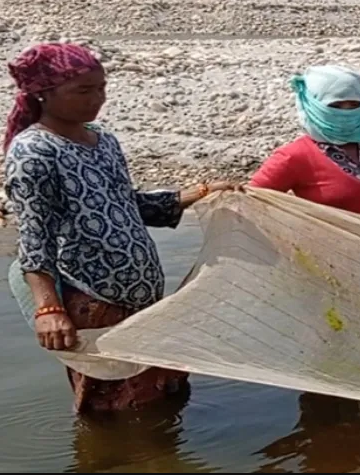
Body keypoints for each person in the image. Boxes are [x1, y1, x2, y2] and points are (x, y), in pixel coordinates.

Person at [4, 43, 238, 413]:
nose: (97, 98)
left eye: (101, 87)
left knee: (164, 395)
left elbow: (129, 205)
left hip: (142, 299)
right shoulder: (34, 151)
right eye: (84, 90)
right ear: (43, 94)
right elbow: (35, 238)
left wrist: (198, 193)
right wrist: (49, 310)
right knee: (112, 409)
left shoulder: (103, 141)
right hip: (93, 300)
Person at [249, 65, 360, 227]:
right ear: (313, 106)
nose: (346, 113)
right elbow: (251, 200)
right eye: (335, 106)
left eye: (354, 105)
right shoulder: (294, 156)